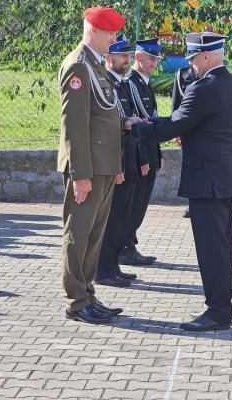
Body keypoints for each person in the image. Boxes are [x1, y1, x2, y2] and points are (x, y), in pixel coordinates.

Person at [134, 32, 232, 332]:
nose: (192, 65)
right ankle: (221, 305)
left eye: (194, 58)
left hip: (207, 179)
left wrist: (140, 126)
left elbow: (174, 125)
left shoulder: (204, 88)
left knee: (211, 249)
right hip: (227, 176)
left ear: (207, 57)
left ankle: (218, 310)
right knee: (221, 246)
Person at [57, 6, 126, 325]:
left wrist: (115, 164)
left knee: (94, 235)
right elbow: (75, 126)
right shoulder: (79, 66)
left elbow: (105, 119)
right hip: (88, 169)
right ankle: (76, 300)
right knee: (79, 235)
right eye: (110, 32)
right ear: (94, 31)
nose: (114, 38)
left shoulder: (95, 66)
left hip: (103, 166)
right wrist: (80, 174)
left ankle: (87, 292)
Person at [95, 35, 150, 287]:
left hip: (130, 159)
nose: (127, 59)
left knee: (123, 218)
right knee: (112, 219)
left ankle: (113, 265)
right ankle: (104, 269)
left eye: (128, 55)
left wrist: (142, 159)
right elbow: (109, 128)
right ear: (108, 57)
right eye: (121, 55)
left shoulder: (126, 85)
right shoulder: (106, 84)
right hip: (116, 161)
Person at [119, 38, 163, 266]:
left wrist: (158, 154)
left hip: (148, 151)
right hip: (137, 155)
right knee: (133, 204)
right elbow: (136, 126)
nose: (154, 63)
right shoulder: (130, 84)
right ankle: (125, 247)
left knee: (141, 204)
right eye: (151, 58)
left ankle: (129, 245)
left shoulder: (144, 83)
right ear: (138, 57)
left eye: (156, 58)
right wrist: (144, 158)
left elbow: (151, 121)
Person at [171, 64, 198, 218]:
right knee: (189, 166)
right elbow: (176, 103)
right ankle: (191, 203)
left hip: (204, 129)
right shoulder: (181, 74)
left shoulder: (208, 71)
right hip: (187, 129)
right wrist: (176, 130)